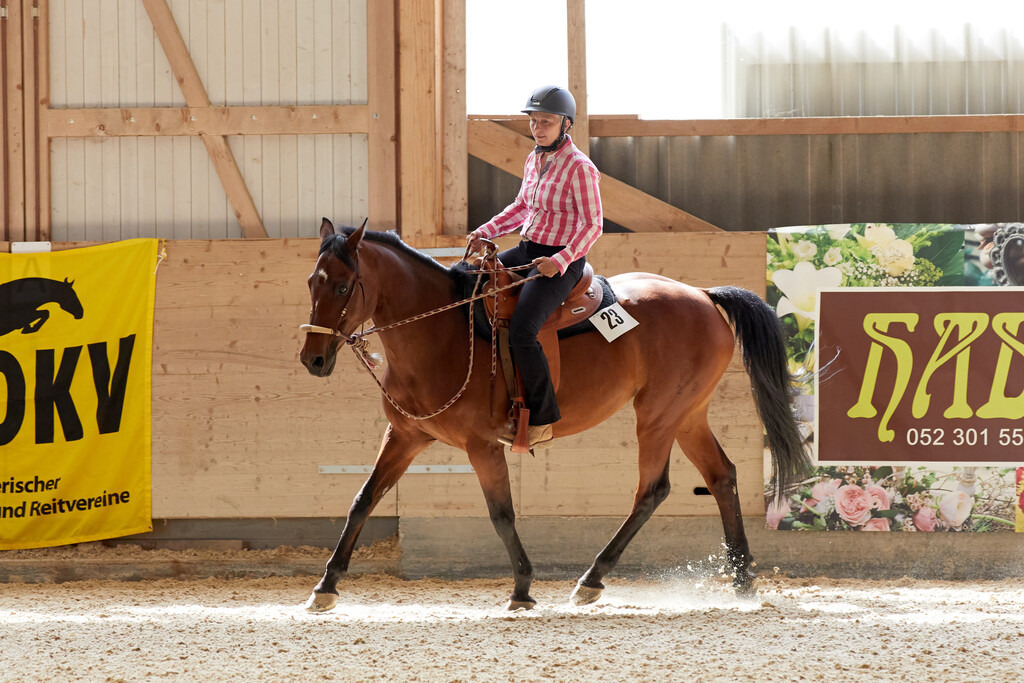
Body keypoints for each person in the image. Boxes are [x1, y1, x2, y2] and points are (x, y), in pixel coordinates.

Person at [466, 85, 603, 448]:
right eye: (534, 121)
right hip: (528, 249)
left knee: (525, 328)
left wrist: (559, 261)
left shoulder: (580, 168)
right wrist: (484, 231)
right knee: (468, 280)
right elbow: (522, 207)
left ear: (566, 124)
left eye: (546, 121)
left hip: (562, 259)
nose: (538, 127)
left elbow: (593, 225)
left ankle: (542, 417)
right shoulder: (534, 159)